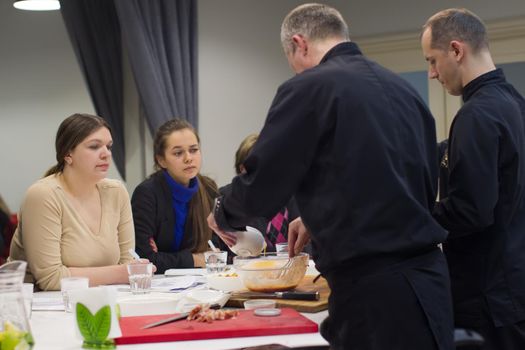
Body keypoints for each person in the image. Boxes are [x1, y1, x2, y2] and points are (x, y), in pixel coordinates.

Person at [208, 3, 454, 350]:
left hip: (375, 294)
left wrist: (222, 212)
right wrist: (317, 215)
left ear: (299, 43)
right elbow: (395, 181)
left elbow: (262, 185)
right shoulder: (403, 90)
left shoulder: (310, 87)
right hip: (430, 281)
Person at [421, 8, 525, 349]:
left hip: (488, 296)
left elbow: (471, 211)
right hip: (514, 285)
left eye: (433, 61)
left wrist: (413, 217)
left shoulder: (476, 115)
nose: (433, 73)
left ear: (456, 50)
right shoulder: (514, 104)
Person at [8, 113, 140, 291]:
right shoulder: (42, 195)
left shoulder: (116, 192)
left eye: (109, 147)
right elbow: (51, 279)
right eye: (94, 147)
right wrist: (120, 273)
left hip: (97, 296)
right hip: (34, 305)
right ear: (68, 154)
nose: (106, 154)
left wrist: (126, 271)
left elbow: (129, 262)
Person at [131, 119, 223, 274]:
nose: (188, 158)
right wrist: (194, 259)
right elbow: (144, 258)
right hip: (159, 284)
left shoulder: (208, 188)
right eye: (178, 153)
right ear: (161, 160)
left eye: (193, 150)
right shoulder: (147, 194)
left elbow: (216, 248)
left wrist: (167, 258)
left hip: (200, 280)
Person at [219, 133, 300, 252]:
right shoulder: (225, 198)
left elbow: (305, 247)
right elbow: (218, 250)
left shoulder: (292, 195)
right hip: (242, 268)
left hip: (288, 267)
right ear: (242, 169)